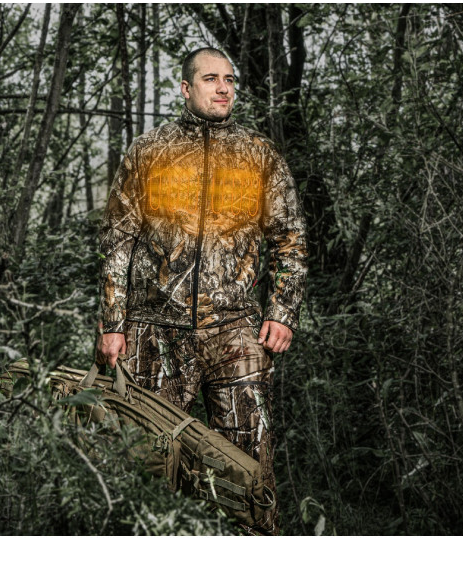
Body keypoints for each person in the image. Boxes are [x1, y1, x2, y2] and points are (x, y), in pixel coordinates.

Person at [98, 47, 307, 535]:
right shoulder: (149, 151)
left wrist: (282, 310)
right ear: (186, 88)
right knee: (149, 465)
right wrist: (112, 323)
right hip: (154, 333)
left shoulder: (258, 155)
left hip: (235, 334)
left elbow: (290, 239)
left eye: (229, 80)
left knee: (249, 469)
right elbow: (117, 242)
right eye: (211, 79)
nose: (223, 88)